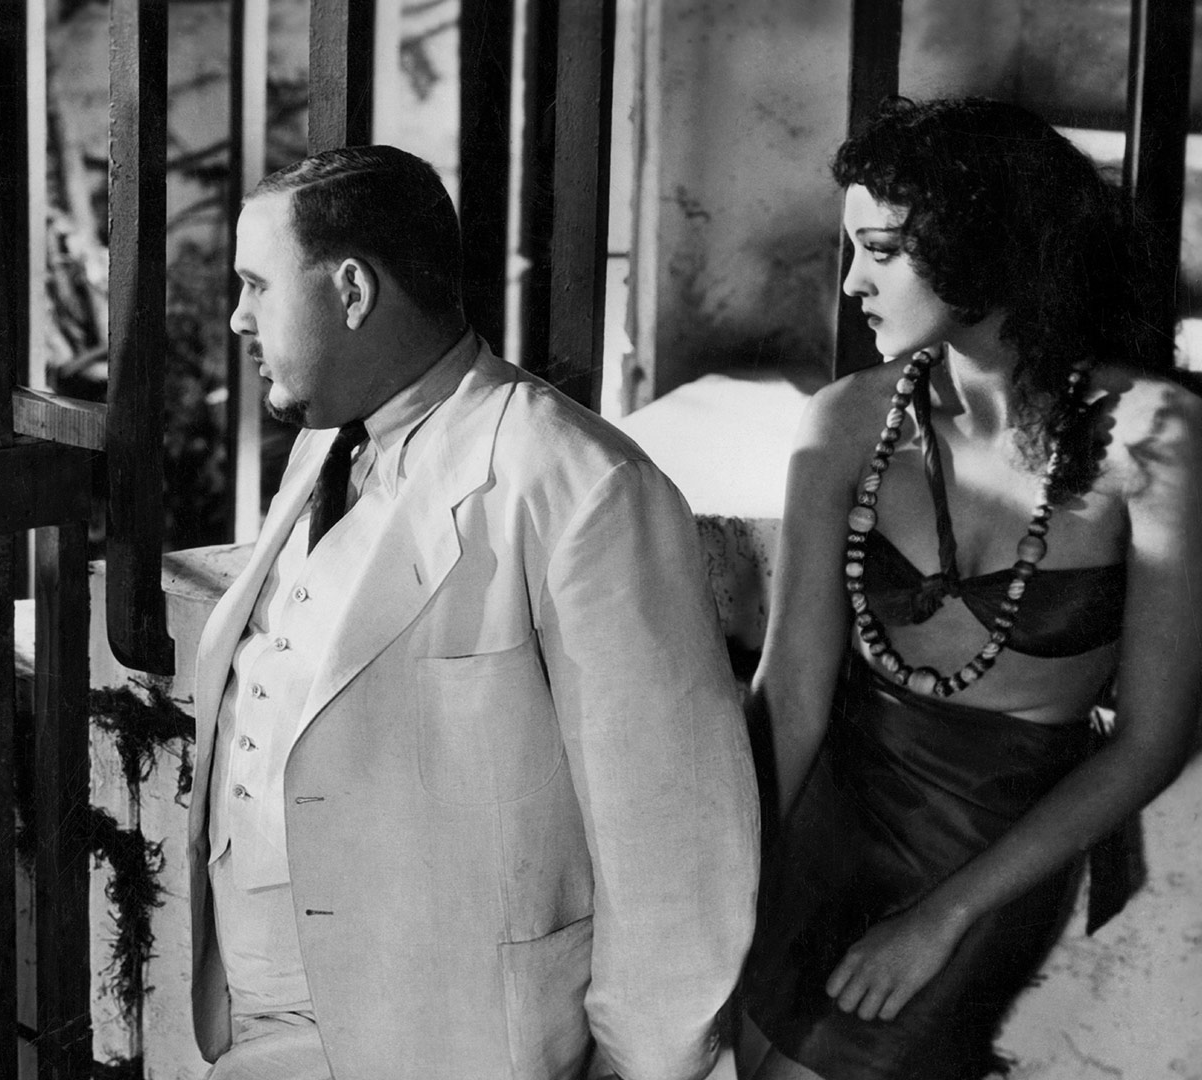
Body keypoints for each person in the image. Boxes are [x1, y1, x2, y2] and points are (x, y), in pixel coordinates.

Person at [187, 144, 761, 1080]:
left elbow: (672, 840)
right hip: (261, 1024)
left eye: (256, 285)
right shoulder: (325, 445)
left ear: (351, 290)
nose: (239, 318)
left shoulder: (581, 483)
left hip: (453, 1039)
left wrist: (649, 1066)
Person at [740, 97, 1202, 1080]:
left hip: (990, 858)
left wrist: (943, 917)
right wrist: (725, 880)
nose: (853, 281)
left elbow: (1153, 739)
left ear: (981, 248)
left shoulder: (1153, 440)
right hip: (824, 830)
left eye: (881, 251)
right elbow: (791, 698)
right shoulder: (846, 423)